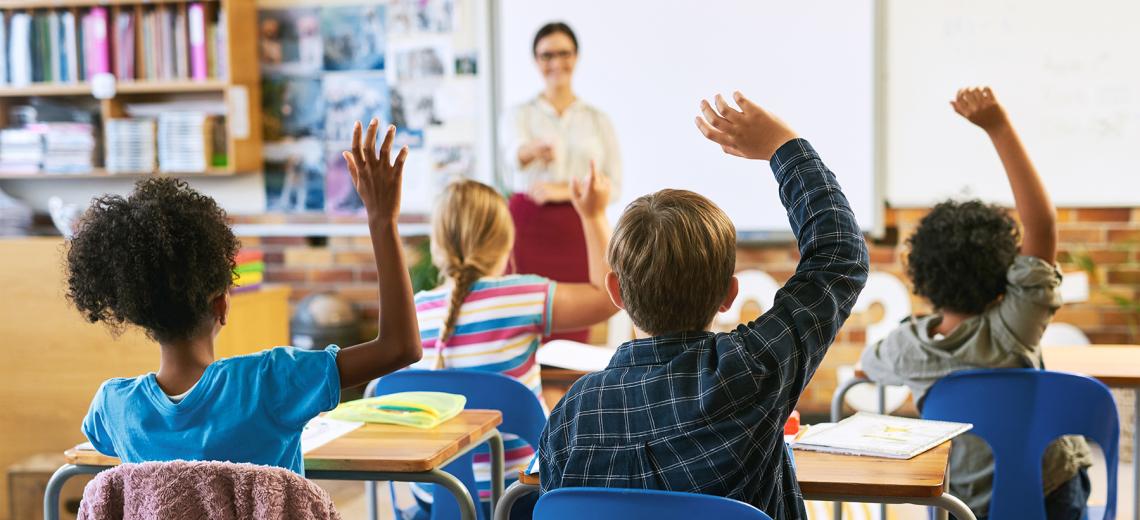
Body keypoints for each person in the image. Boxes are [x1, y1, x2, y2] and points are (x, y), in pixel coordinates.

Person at [538, 91, 869, 519]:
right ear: (730, 295)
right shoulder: (748, 374)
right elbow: (839, 255)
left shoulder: (571, 417)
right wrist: (783, 146)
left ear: (616, 293)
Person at [74, 120, 423, 475]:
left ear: (138, 313)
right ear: (221, 305)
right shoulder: (270, 384)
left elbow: (99, 439)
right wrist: (382, 220)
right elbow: (401, 347)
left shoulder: (114, 407)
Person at [859, 87, 1093, 519]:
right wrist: (998, 127)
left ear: (922, 278)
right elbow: (1041, 224)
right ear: (1007, 274)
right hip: (1048, 495)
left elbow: (868, 366)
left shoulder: (908, 348)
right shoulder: (1014, 328)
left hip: (961, 506)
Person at [404, 163, 618, 518]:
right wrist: (593, 215)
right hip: (516, 497)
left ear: (438, 244)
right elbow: (609, 295)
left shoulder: (414, 312)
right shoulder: (522, 296)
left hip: (437, 498)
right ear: (506, 241)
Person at [501, 22, 622, 342]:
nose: (556, 62)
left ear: (576, 57)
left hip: (580, 227)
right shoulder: (518, 115)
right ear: (535, 60)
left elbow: (614, 184)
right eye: (547, 55)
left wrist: (563, 190)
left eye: (564, 53)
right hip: (528, 228)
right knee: (523, 318)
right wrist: (530, 151)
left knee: (580, 320)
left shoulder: (598, 120)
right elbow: (511, 158)